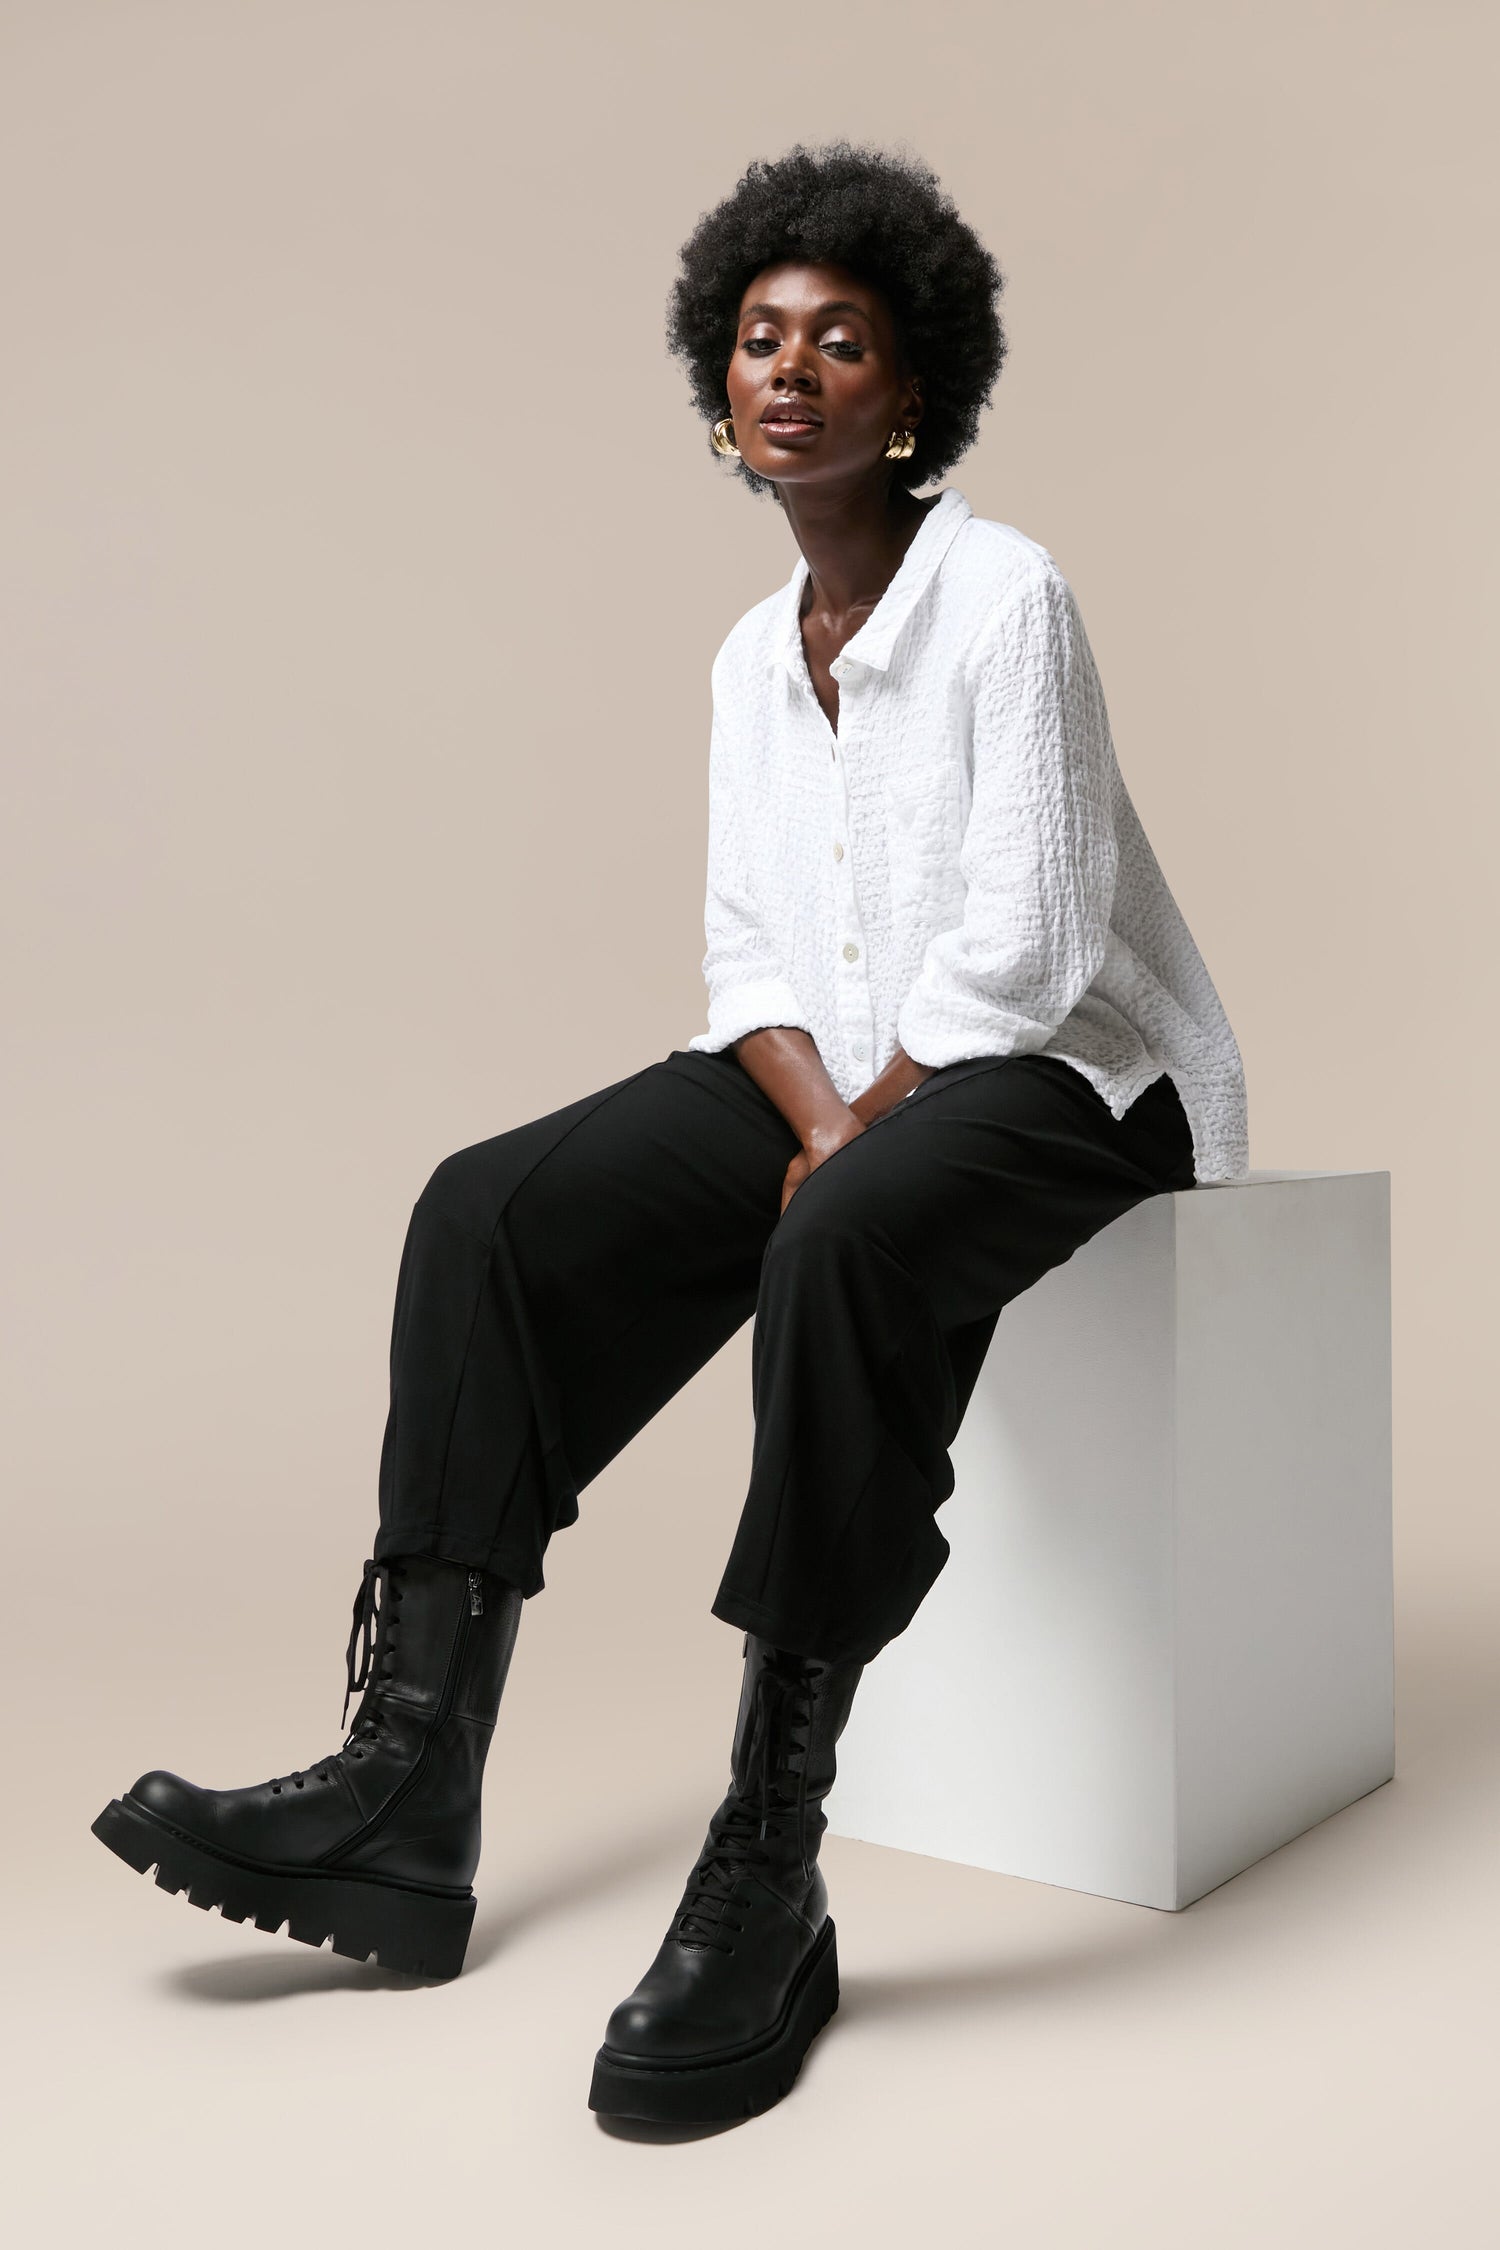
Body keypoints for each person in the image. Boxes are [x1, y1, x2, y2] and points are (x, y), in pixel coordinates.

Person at [92, 141, 1249, 2126]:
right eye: (755, 340)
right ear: (721, 395)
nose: (787, 370)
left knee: (851, 1235)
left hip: (1078, 1082)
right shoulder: (745, 653)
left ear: (918, 395)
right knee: (490, 1213)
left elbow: (1040, 949)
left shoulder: (1005, 598)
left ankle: (769, 1868)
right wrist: (820, 1109)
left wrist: (866, 1128)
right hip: (851, 1080)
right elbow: (744, 948)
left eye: (841, 343)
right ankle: (405, 1777)